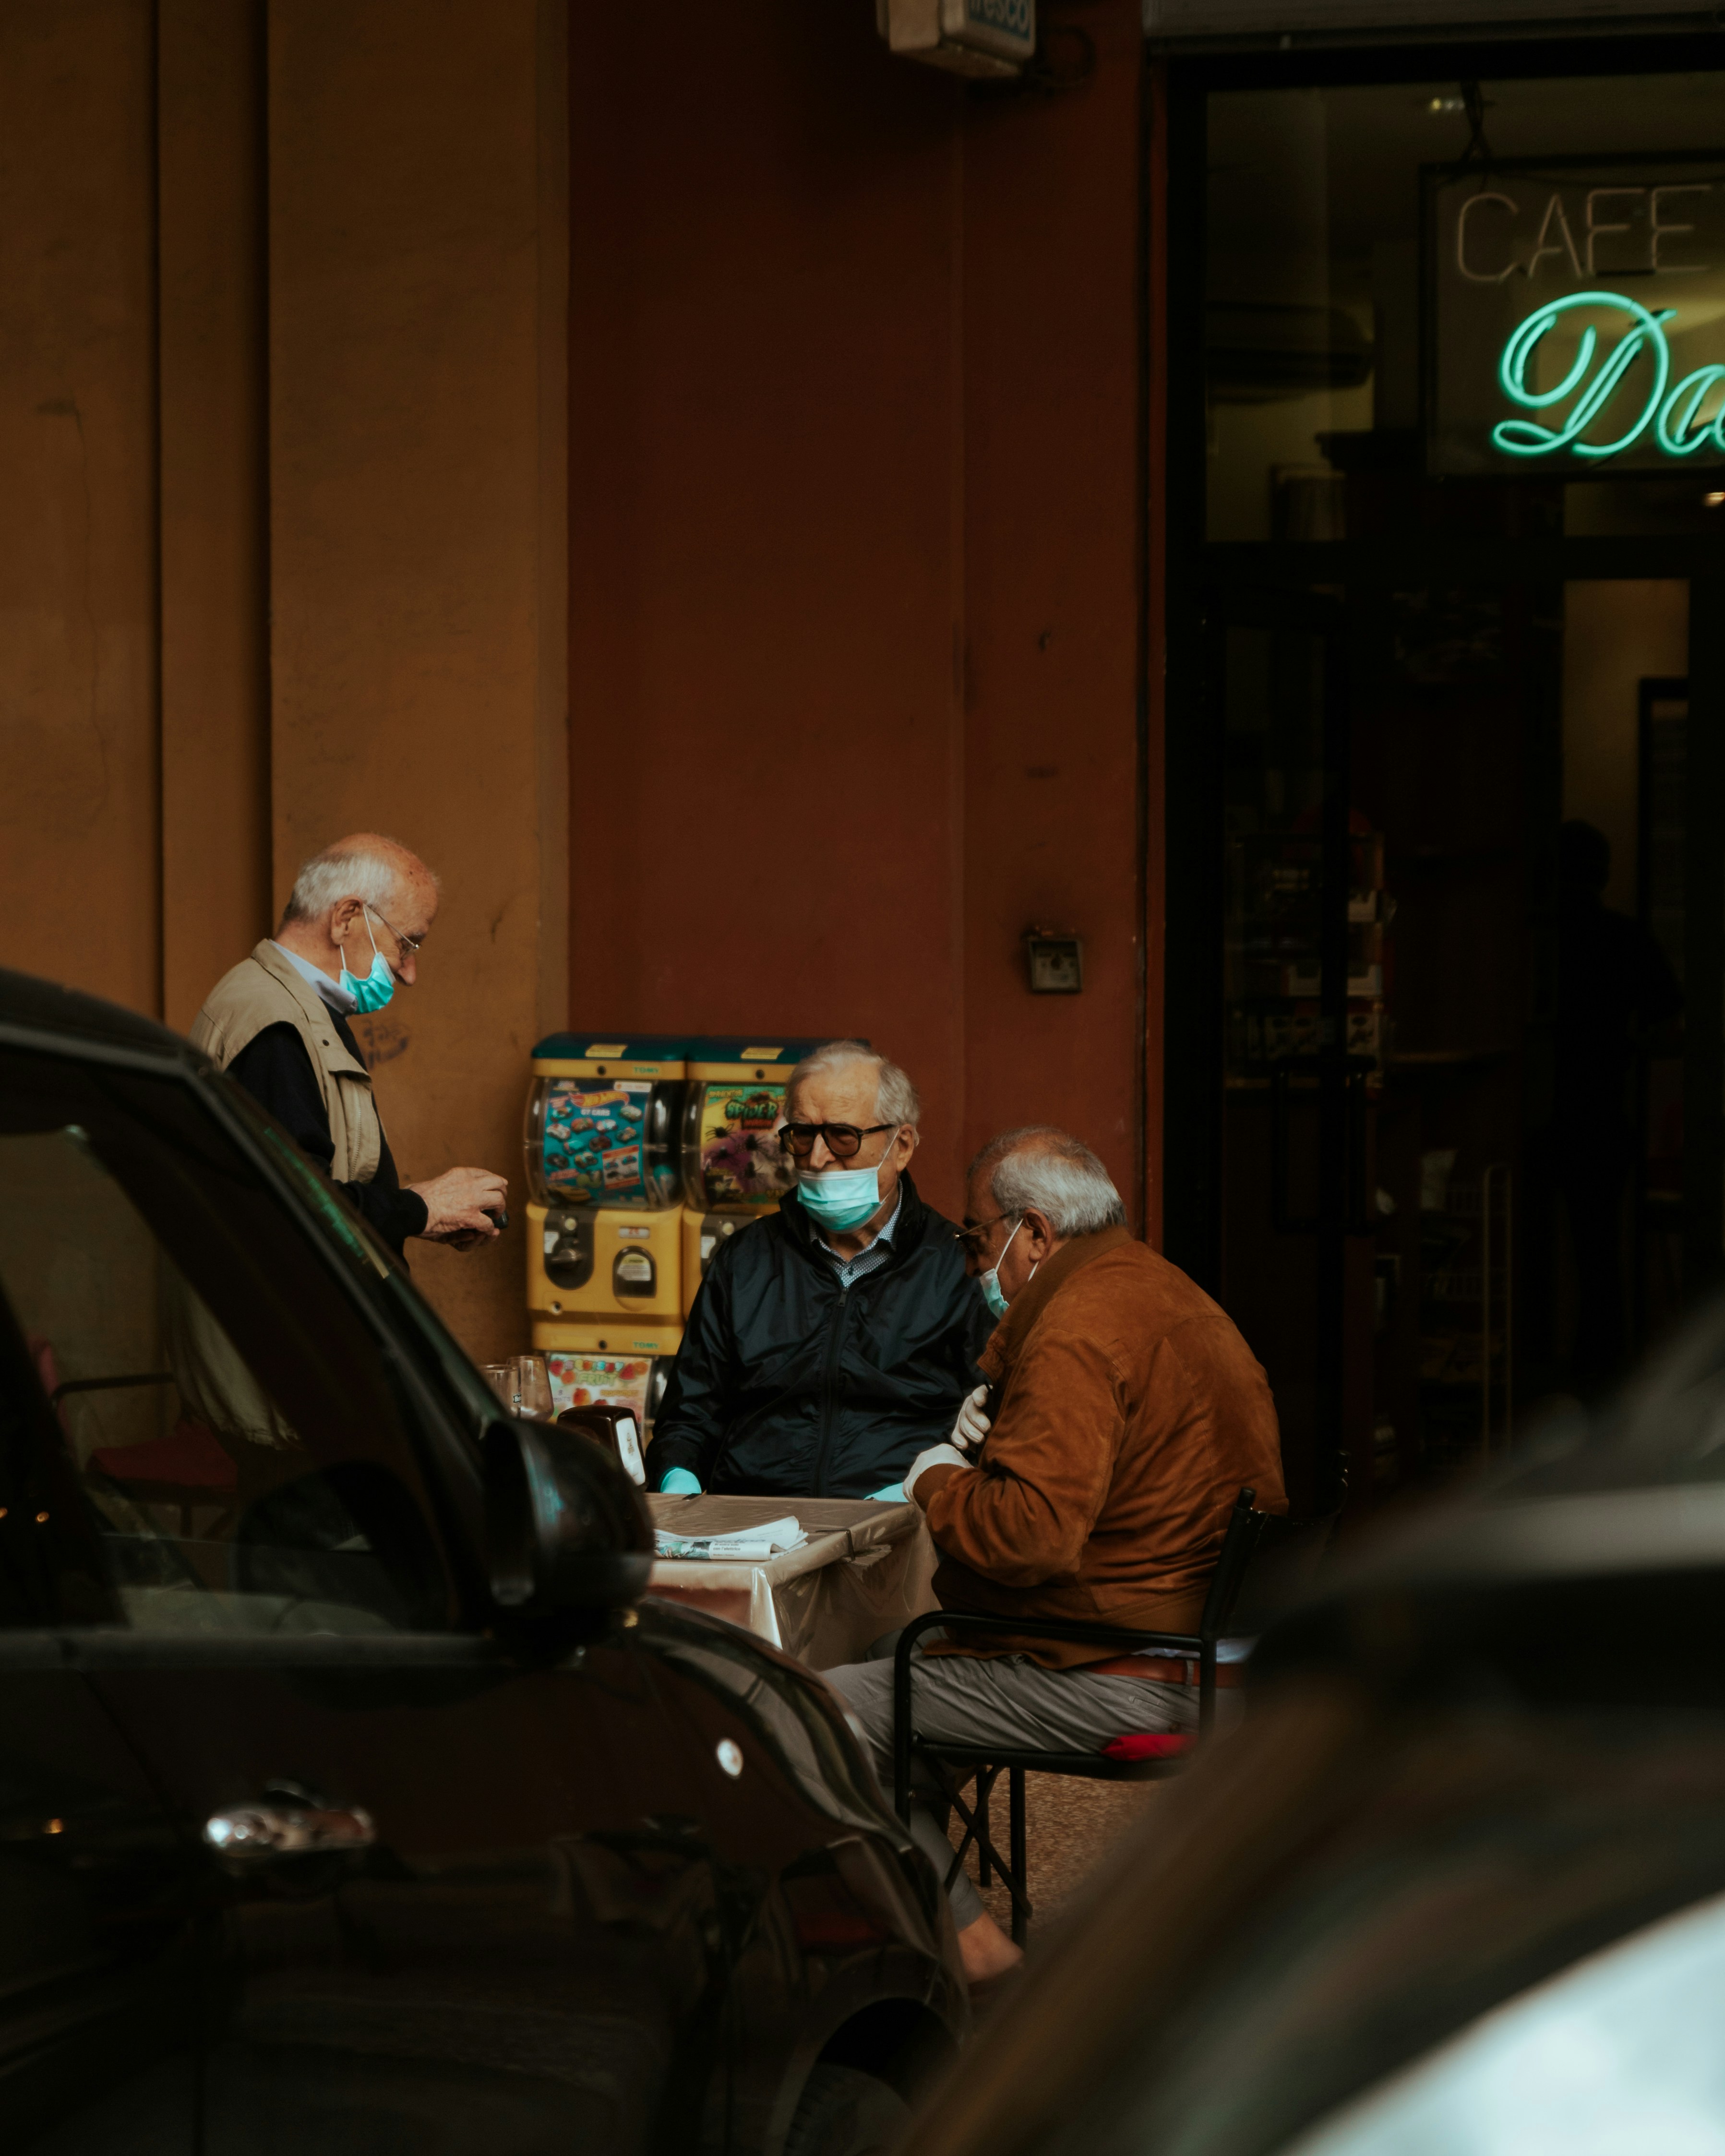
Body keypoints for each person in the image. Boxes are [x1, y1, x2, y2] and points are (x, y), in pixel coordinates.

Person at [824, 1126, 1284, 1988]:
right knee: (890, 1663)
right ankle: (920, 1914)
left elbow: (1027, 1537)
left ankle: (980, 1963)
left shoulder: (1076, 1328)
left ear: (1032, 1233)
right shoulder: (1165, 1290)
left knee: (819, 1711)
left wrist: (935, 1479)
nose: (973, 1266)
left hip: (1128, 1666)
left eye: (976, 1241)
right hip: (1207, 1650)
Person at [644, 1040, 990, 1499]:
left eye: (843, 1137)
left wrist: (917, 1496)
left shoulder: (961, 1268)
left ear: (902, 1146)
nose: (817, 1157)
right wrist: (678, 1480)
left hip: (898, 1522)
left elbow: (991, 1430)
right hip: (751, 1520)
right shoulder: (745, 1260)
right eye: (803, 1136)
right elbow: (688, 1417)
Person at [189, 833, 508, 1258]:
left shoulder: (293, 1005)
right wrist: (421, 1209)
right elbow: (297, 1207)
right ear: (346, 918)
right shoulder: (275, 1024)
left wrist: (419, 1213)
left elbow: (314, 1188)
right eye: (406, 944)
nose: (409, 973)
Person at [1554, 819, 1683, 1386]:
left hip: (1553, 1103)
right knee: (1599, 1252)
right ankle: (1600, 1367)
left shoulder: (1538, 935)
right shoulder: (1621, 937)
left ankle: (1561, 1361)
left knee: (1538, 1246)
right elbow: (1671, 1021)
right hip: (1602, 1108)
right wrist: (1626, 1044)